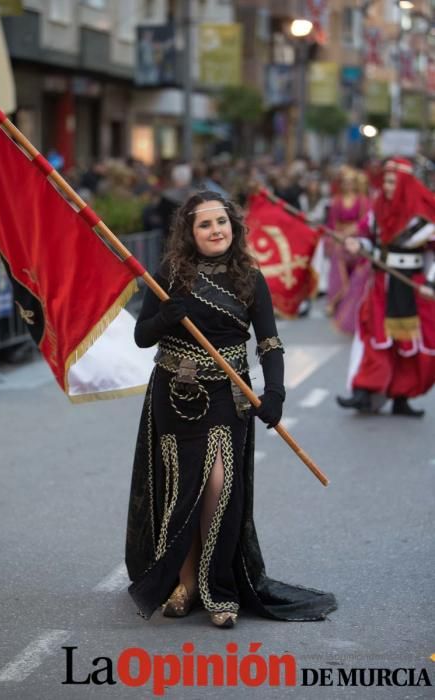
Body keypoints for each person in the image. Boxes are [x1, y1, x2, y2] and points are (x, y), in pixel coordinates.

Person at [125, 190, 337, 628]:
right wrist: (166, 317)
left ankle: (217, 588)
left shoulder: (249, 277)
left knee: (219, 486)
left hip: (229, 393)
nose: (215, 230)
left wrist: (276, 391)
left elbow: (270, 342)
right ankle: (183, 584)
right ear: (190, 232)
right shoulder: (168, 273)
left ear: (233, 227)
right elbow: (142, 336)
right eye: (204, 225)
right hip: (175, 393)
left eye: (221, 222)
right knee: (184, 490)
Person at [337, 158, 435, 416]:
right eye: (386, 181)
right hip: (382, 284)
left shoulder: (424, 214)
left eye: (392, 182)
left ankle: (402, 397)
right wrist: (359, 245)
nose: (387, 187)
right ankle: (363, 392)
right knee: (374, 335)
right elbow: (367, 240)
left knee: (409, 343)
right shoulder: (377, 210)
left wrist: (433, 284)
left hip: (413, 287)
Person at [325, 166, 371, 335]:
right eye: (345, 182)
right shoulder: (336, 201)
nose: (348, 185)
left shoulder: (363, 201)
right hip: (340, 239)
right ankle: (336, 298)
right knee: (337, 252)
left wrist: (350, 234)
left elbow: (365, 223)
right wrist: (336, 236)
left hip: (357, 239)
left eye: (351, 182)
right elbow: (331, 224)